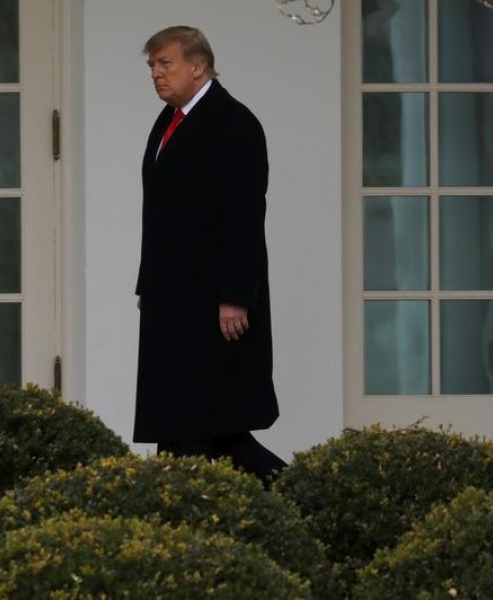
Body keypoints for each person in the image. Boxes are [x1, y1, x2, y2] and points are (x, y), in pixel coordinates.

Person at [133, 25, 286, 482]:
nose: (157, 75)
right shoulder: (169, 120)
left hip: (214, 303)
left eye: (166, 64)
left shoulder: (233, 123)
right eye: (152, 67)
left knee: (211, 427)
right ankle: (177, 516)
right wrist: (149, 283)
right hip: (172, 301)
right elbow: (160, 213)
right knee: (183, 424)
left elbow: (243, 215)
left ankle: (305, 499)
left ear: (198, 66)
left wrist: (236, 295)